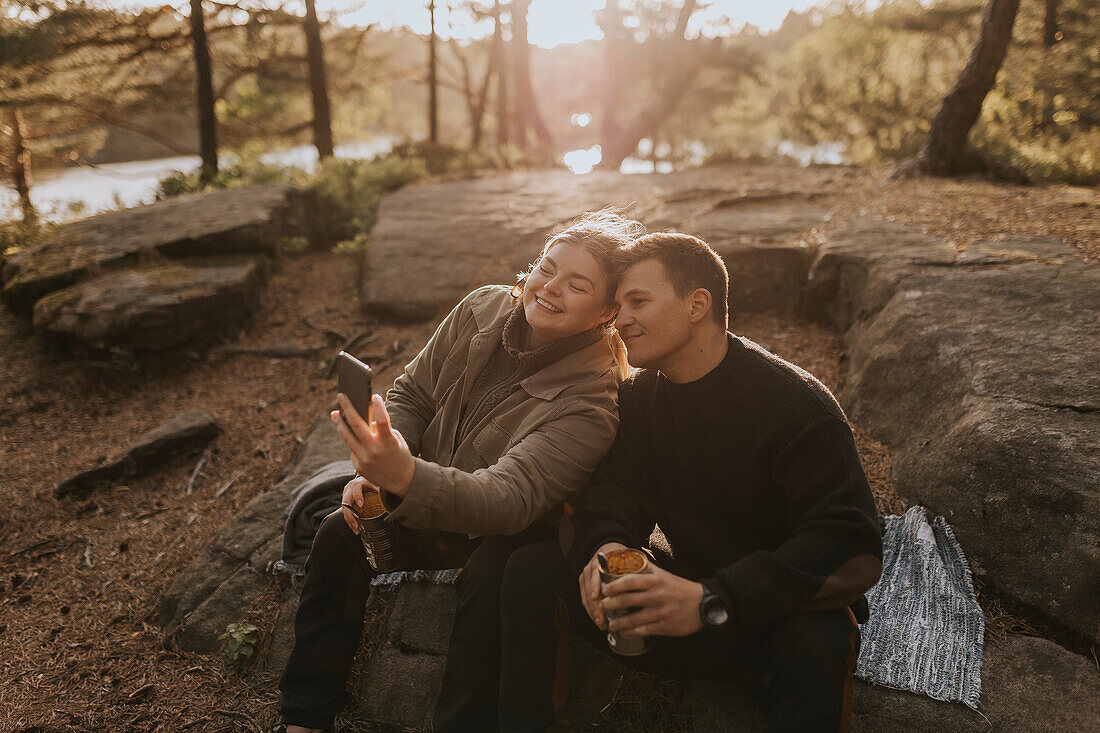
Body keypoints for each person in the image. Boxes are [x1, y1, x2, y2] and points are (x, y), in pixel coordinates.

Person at [473, 232, 884, 732]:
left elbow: (850, 543)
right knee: (530, 568)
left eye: (638, 301)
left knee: (816, 633)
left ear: (697, 305)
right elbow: (607, 500)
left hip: (767, 617)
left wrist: (713, 599)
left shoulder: (796, 406)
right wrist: (606, 550)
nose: (620, 319)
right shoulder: (639, 401)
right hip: (675, 609)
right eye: (619, 304)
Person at [273, 211, 643, 733]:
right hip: (428, 501)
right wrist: (390, 451)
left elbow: (509, 500)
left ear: (607, 311)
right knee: (338, 531)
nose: (550, 288)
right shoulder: (482, 308)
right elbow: (413, 394)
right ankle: (305, 717)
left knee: (495, 572)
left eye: (577, 285)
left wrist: (403, 476)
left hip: (501, 532)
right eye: (547, 266)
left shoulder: (591, 401)